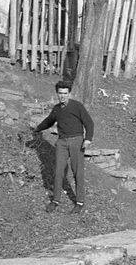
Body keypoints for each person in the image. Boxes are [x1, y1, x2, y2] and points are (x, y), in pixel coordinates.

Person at [33, 80, 94, 214]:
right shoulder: (56, 109)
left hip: (77, 141)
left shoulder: (77, 106)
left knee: (77, 172)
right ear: (57, 94)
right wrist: (37, 129)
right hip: (62, 142)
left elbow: (89, 123)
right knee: (58, 171)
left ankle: (79, 202)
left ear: (69, 94)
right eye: (60, 93)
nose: (63, 96)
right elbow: (49, 121)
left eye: (65, 93)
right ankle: (55, 200)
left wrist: (88, 139)